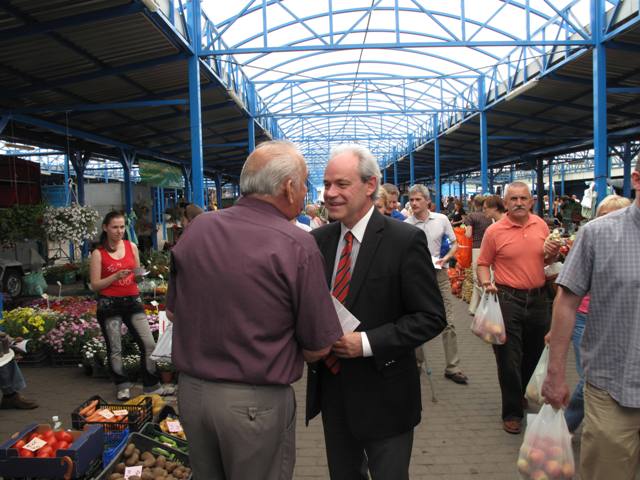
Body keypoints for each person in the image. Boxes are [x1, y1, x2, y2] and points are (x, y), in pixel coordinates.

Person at [167, 140, 343, 480]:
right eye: (305, 183)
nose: (306, 191)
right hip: (254, 405)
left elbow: (173, 313)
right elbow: (319, 346)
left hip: (192, 396)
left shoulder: (199, 228)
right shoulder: (297, 243)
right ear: (288, 187)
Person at [307, 144, 447, 480]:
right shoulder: (318, 241)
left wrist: (367, 343)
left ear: (370, 185)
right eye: (326, 184)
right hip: (334, 391)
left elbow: (430, 317)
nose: (330, 193)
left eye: (342, 184)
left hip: (386, 394)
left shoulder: (404, 240)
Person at [543, 160, 640, 479]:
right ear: (636, 179)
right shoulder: (598, 234)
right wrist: (555, 372)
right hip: (613, 388)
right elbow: (566, 301)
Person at [477, 181, 561, 434]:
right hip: (507, 299)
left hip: (538, 300)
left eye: (523, 198)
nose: (519, 203)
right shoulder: (495, 231)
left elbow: (547, 261)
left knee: (534, 355)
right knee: (508, 358)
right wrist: (486, 282)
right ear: (505, 203)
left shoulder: (541, 225)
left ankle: (521, 391)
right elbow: (483, 263)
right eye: (513, 199)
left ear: (531, 201)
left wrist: (554, 253)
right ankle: (512, 412)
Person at [559, 195, 631, 434]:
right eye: (604, 216)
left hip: (619, 324)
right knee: (588, 376)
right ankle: (567, 426)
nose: (609, 222)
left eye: (615, 216)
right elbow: (566, 294)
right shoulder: (590, 239)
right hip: (584, 319)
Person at [90, 211, 169, 401]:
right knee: (115, 348)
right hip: (109, 304)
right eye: (115, 227)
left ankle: (151, 385)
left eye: (122, 227)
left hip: (132, 300)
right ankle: (122, 385)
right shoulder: (98, 253)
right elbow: (95, 285)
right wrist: (114, 276)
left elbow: (136, 273)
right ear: (105, 228)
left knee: (149, 344)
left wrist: (140, 275)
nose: (119, 231)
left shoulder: (131, 246)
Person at [405, 184, 469, 385]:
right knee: (416, 319)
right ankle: (416, 363)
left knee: (448, 321)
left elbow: (454, 243)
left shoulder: (441, 220)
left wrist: (446, 258)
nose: (414, 203)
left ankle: (453, 367)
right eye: (411, 200)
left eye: (418, 199)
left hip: (439, 275)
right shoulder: (406, 225)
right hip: (417, 278)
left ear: (428, 201)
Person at [465, 195, 493, 315]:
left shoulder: (471, 216)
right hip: (490, 248)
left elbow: (468, 234)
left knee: (478, 279)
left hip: (477, 248)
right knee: (487, 277)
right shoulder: (489, 216)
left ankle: (487, 304)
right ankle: (473, 308)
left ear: (474, 203)